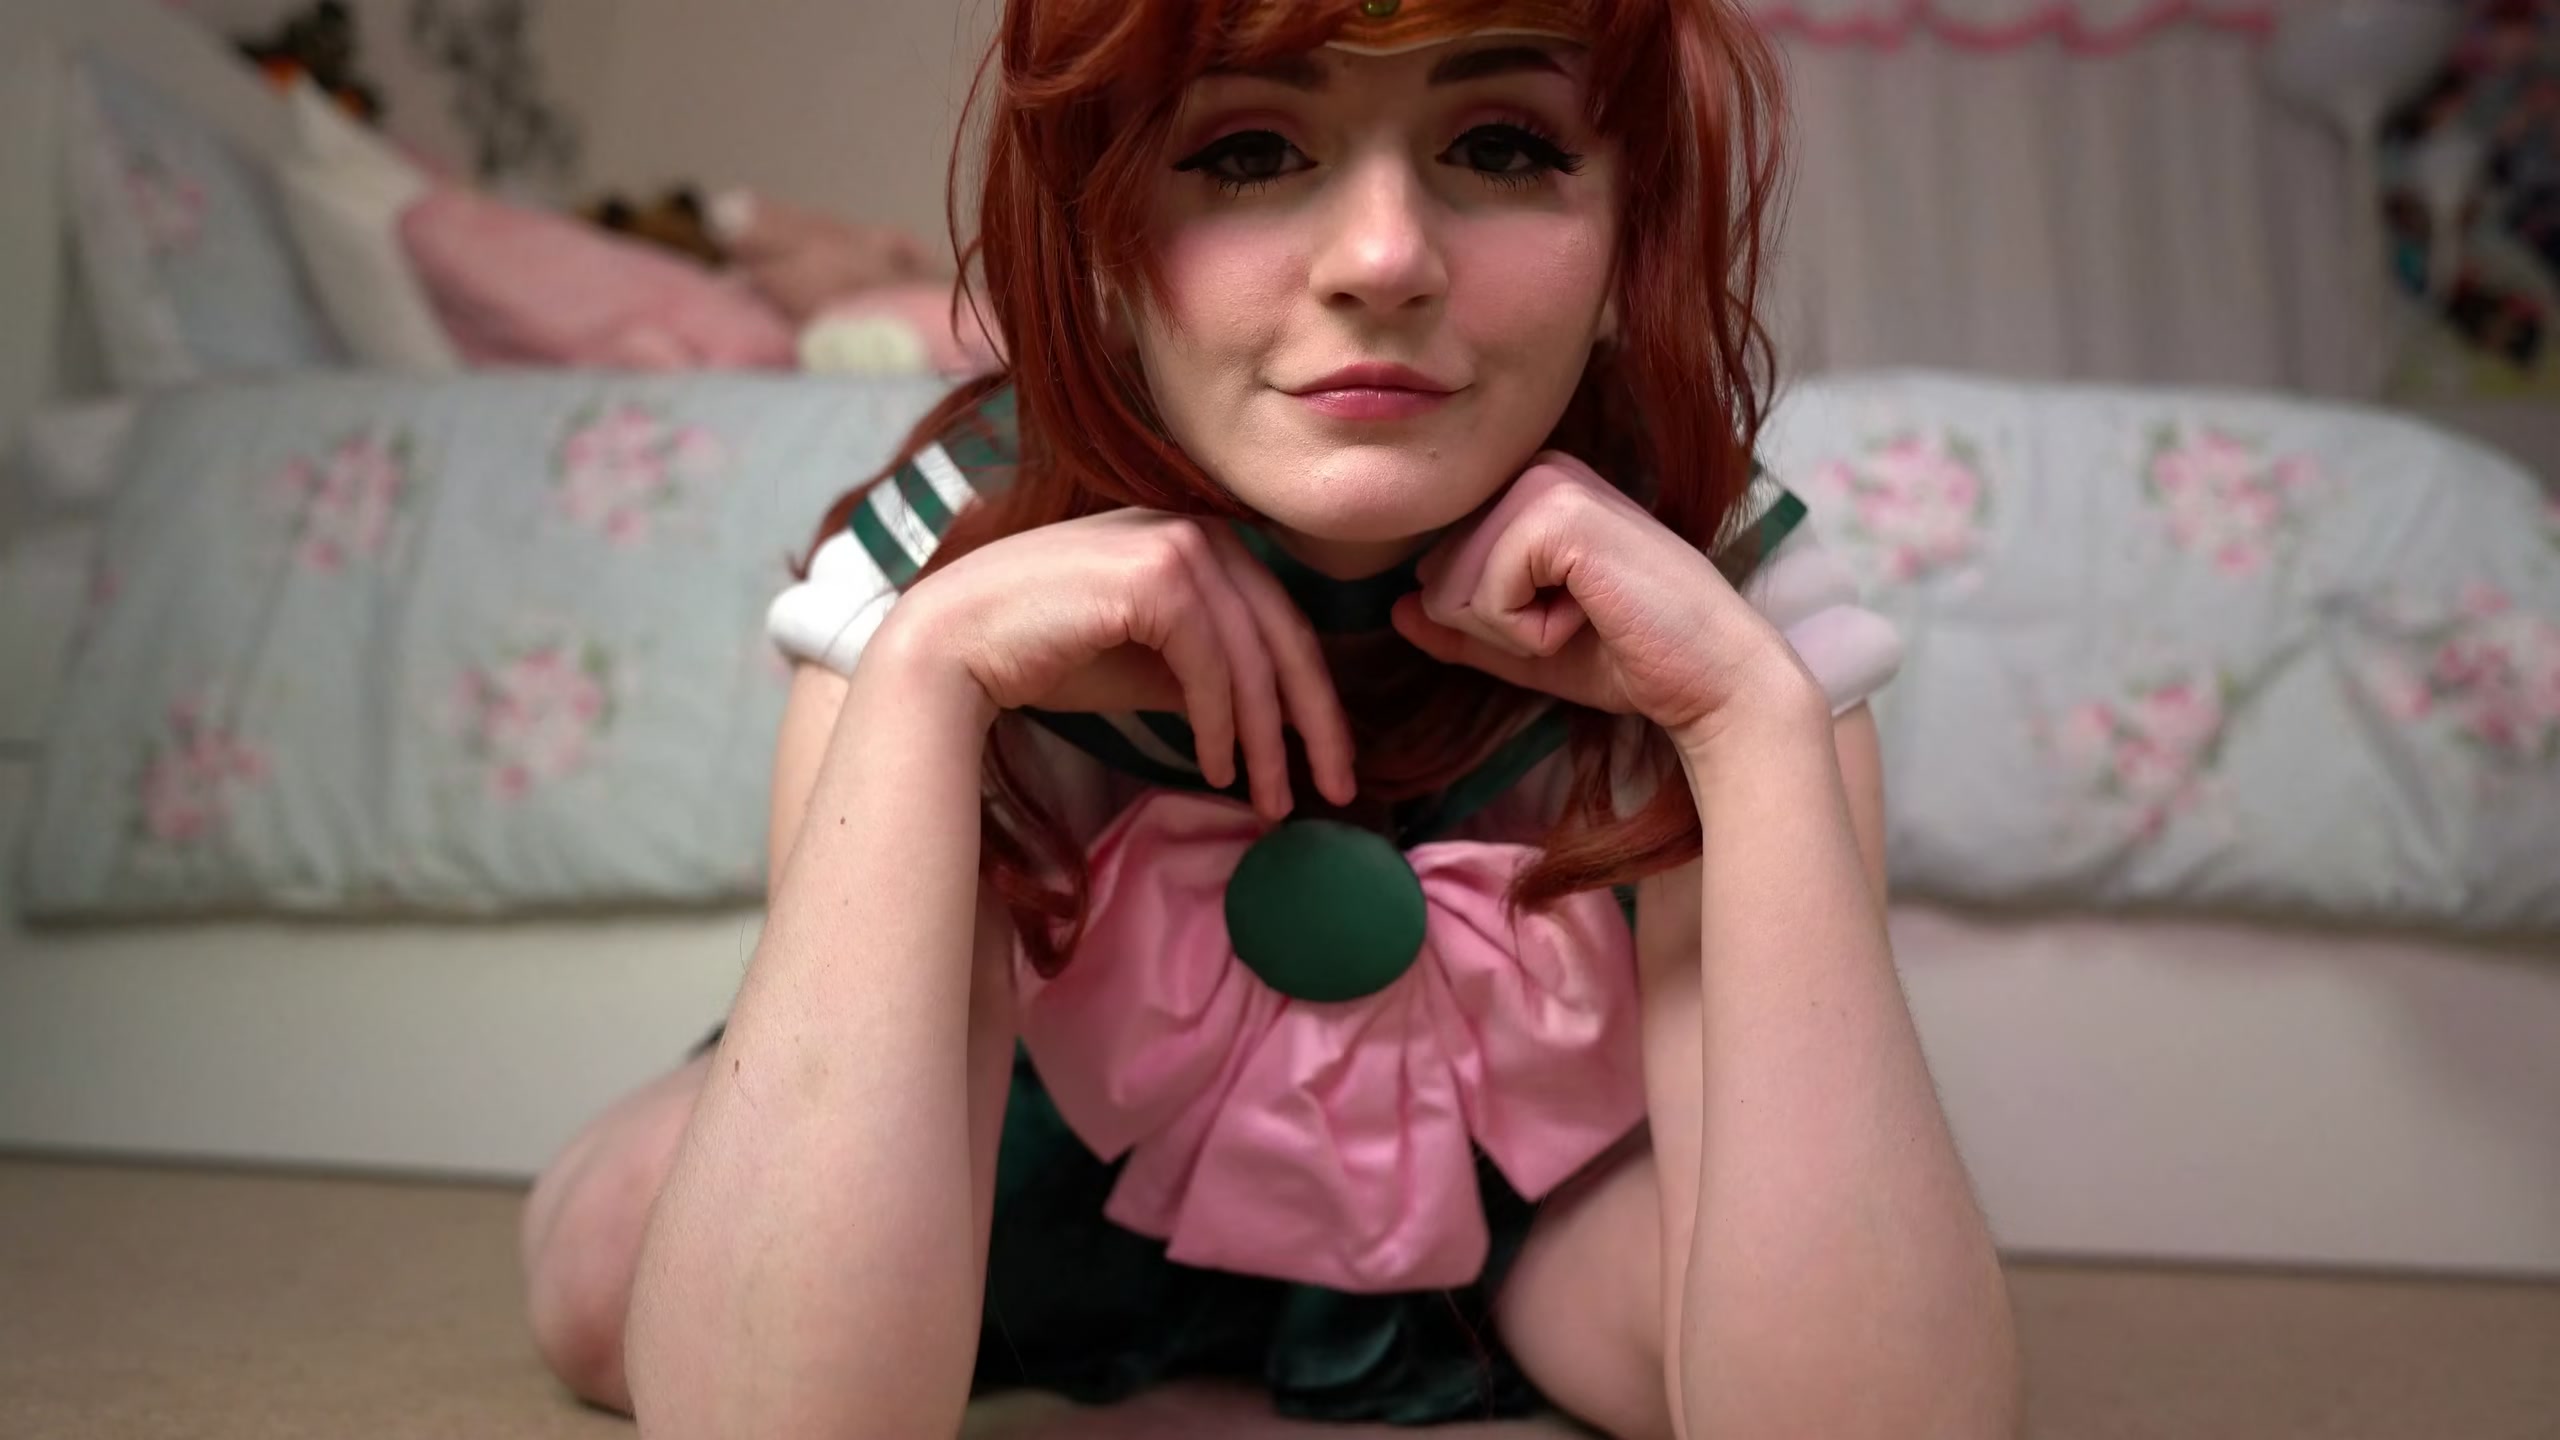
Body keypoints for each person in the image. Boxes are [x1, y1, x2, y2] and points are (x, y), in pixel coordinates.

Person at [519, 0, 2021, 1434]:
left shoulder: (1714, 580)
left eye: (1503, 148)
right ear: (1097, 226)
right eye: (1247, 150)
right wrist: (927, 679)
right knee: (616, 1268)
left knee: (1771, 1326)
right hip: (1020, 1169)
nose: (1383, 259)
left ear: (1635, 218)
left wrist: (1752, 726)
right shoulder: (957, 546)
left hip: (1512, 1204)